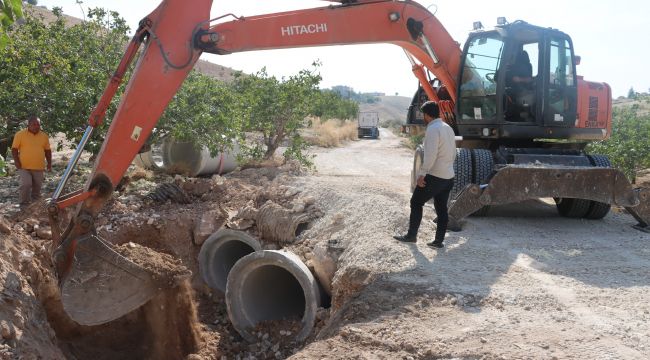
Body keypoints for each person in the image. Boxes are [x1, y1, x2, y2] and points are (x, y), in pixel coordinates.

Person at [394, 101, 456, 248]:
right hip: (448, 176)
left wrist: (422, 174)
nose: (423, 117)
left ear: (427, 115)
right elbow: (453, 152)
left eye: (423, 114)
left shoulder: (433, 129)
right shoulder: (448, 128)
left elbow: (430, 155)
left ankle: (411, 236)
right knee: (441, 208)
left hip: (435, 175)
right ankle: (438, 241)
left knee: (416, 202)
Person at [11, 116, 52, 207]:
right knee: (26, 184)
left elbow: (48, 151)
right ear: (28, 125)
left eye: (38, 124)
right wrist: (16, 161)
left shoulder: (44, 136)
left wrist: (49, 163)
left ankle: (34, 207)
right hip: (24, 166)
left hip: (39, 166)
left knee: (37, 188)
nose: (36, 126)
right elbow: (14, 149)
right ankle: (23, 204)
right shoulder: (20, 134)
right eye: (33, 124)